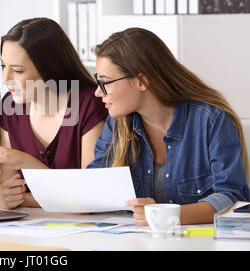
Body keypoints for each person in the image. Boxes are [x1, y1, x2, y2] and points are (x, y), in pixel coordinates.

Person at [87, 27, 250, 225]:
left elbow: (231, 198)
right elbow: (94, 188)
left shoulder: (211, 121)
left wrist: (163, 215)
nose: (98, 92)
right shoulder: (118, 123)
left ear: (141, 81)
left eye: (106, 83)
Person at [0, 17, 108, 209]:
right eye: (3, 66)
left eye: (17, 71)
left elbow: (87, 199)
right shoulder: (11, 107)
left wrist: (27, 163)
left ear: (48, 68)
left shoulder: (90, 105)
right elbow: (6, 188)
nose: (5, 79)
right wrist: (1, 195)